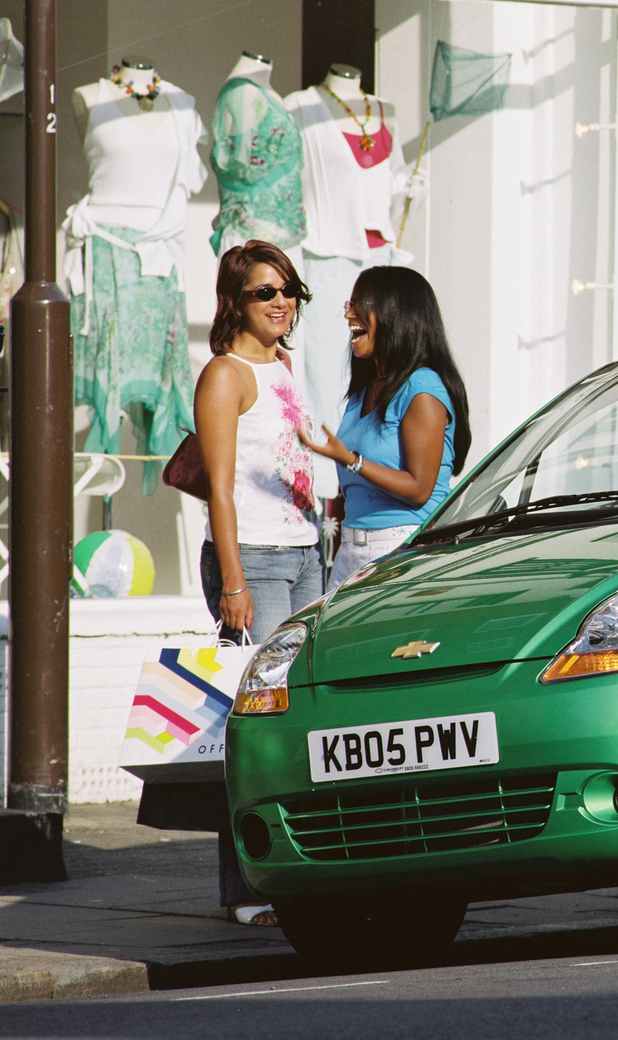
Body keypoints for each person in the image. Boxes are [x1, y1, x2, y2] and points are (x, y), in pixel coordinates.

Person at [137, 239, 319, 927]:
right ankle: (246, 887)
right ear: (234, 303)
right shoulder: (225, 374)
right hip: (256, 561)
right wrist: (234, 582)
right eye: (264, 292)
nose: (281, 301)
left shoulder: (284, 365)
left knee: (298, 715)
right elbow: (219, 489)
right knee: (255, 725)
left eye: (288, 289)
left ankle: (297, 866)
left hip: (306, 553)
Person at [301, 266, 471, 591]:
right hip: (351, 550)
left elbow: (419, 489)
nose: (348, 314)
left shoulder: (422, 388)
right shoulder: (363, 390)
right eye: (349, 304)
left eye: (360, 304)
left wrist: (352, 460)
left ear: (396, 312)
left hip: (403, 548)